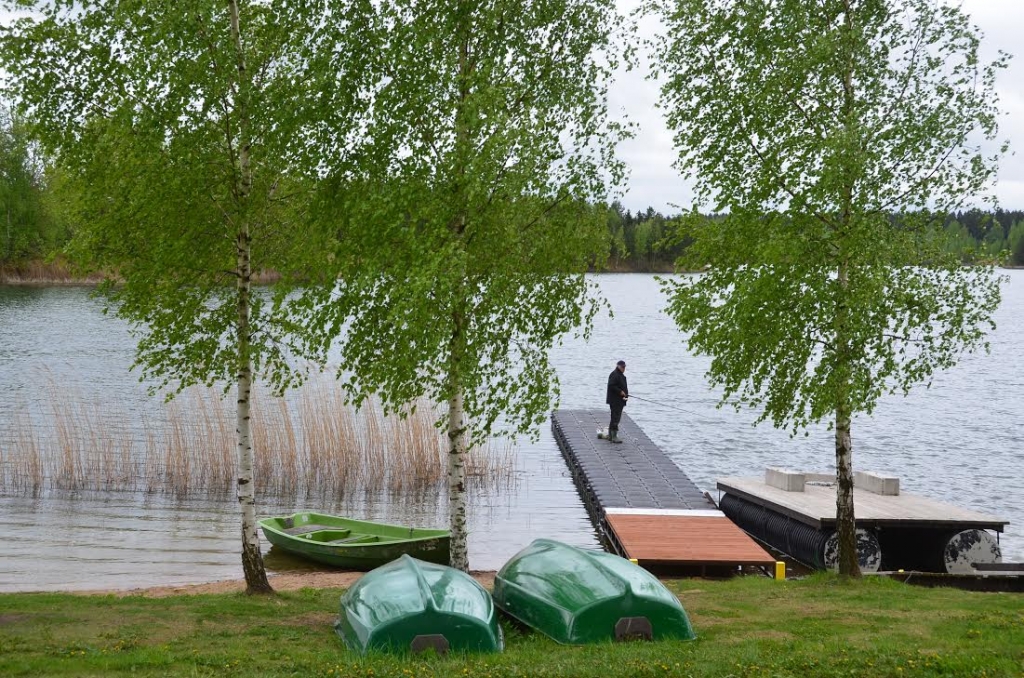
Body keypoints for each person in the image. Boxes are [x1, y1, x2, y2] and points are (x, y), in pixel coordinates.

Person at [605, 360, 628, 444]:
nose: (624, 368)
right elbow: (611, 385)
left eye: (624, 367)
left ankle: (611, 435)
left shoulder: (620, 375)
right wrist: (620, 392)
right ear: (618, 366)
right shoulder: (614, 374)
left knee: (615, 417)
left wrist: (625, 394)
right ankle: (614, 436)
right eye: (622, 367)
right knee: (615, 418)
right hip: (615, 401)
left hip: (619, 400)